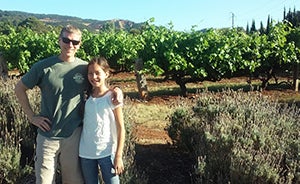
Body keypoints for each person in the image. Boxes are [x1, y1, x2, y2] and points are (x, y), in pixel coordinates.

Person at [14, 25, 123, 184]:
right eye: (66, 40)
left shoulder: (84, 68)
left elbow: (100, 83)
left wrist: (117, 89)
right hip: (47, 136)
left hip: (74, 136)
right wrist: (32, 117)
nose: (70, 45)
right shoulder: (43, 66)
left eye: (75, 41)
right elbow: (19, 89)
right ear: (59, 41)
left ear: (80, 44)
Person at [79, 56, 125, 184]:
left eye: (97, 73)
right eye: (90, 73)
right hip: (86, 153)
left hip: (107, 152)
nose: (94, 77)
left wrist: (118, 156)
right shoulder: (85, 96)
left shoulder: (112, 97)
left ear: (106, 73)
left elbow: (121, 127)